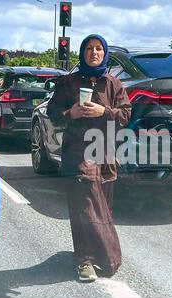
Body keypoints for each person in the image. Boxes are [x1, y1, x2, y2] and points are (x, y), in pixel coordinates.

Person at [46, 34, 131, 282]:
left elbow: (125, 116)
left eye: (98, 49)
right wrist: (70, 112)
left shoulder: (113, 84)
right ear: (82, 53)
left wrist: (104, 110)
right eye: (89, 49)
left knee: (102, 206)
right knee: (84, 206)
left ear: (104, 53)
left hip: (105, 153)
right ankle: (85, 260)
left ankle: (99, 254)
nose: (94, 53)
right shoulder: (68, 82)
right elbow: (53, 113)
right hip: (77, 154)